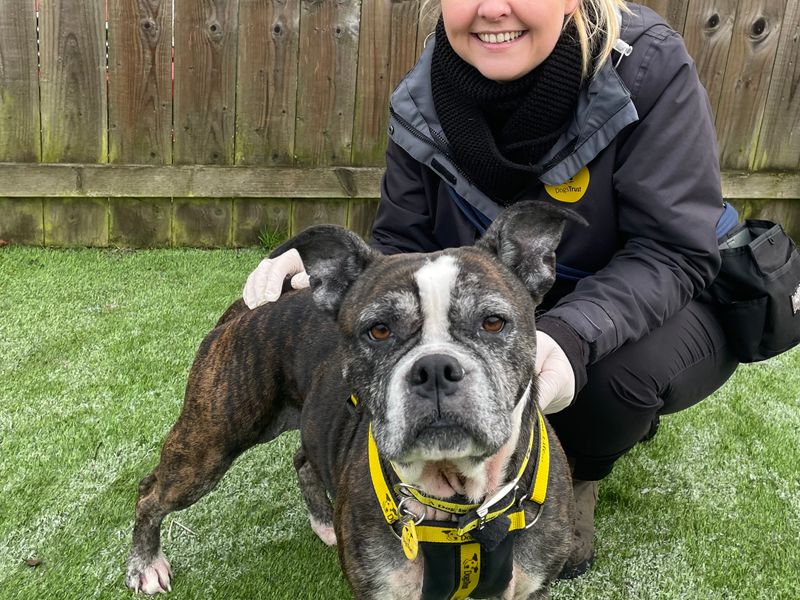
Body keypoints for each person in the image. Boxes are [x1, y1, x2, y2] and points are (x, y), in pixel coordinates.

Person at [242, 0, 739, 579]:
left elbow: (674, 250)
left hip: (661, 292)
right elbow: (402, 242)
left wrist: (571, 334)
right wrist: (336, 278)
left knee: (605, 383)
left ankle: (575, 474)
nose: (491, 8)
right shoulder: (424, 91)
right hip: (498, 305)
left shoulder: (648, 66)